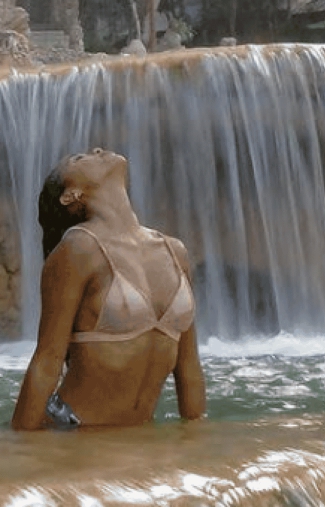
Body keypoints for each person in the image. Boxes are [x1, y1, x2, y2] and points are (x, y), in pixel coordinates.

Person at [11, 147, 207, 430]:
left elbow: (188, 367)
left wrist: (197, 434)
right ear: (71, 195)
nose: (98, 150)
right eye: (80, 158)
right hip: (70, 431)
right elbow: (47, 363)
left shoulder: (175, 252)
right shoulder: (78, 249)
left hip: (136, 439)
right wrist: (21, 450)